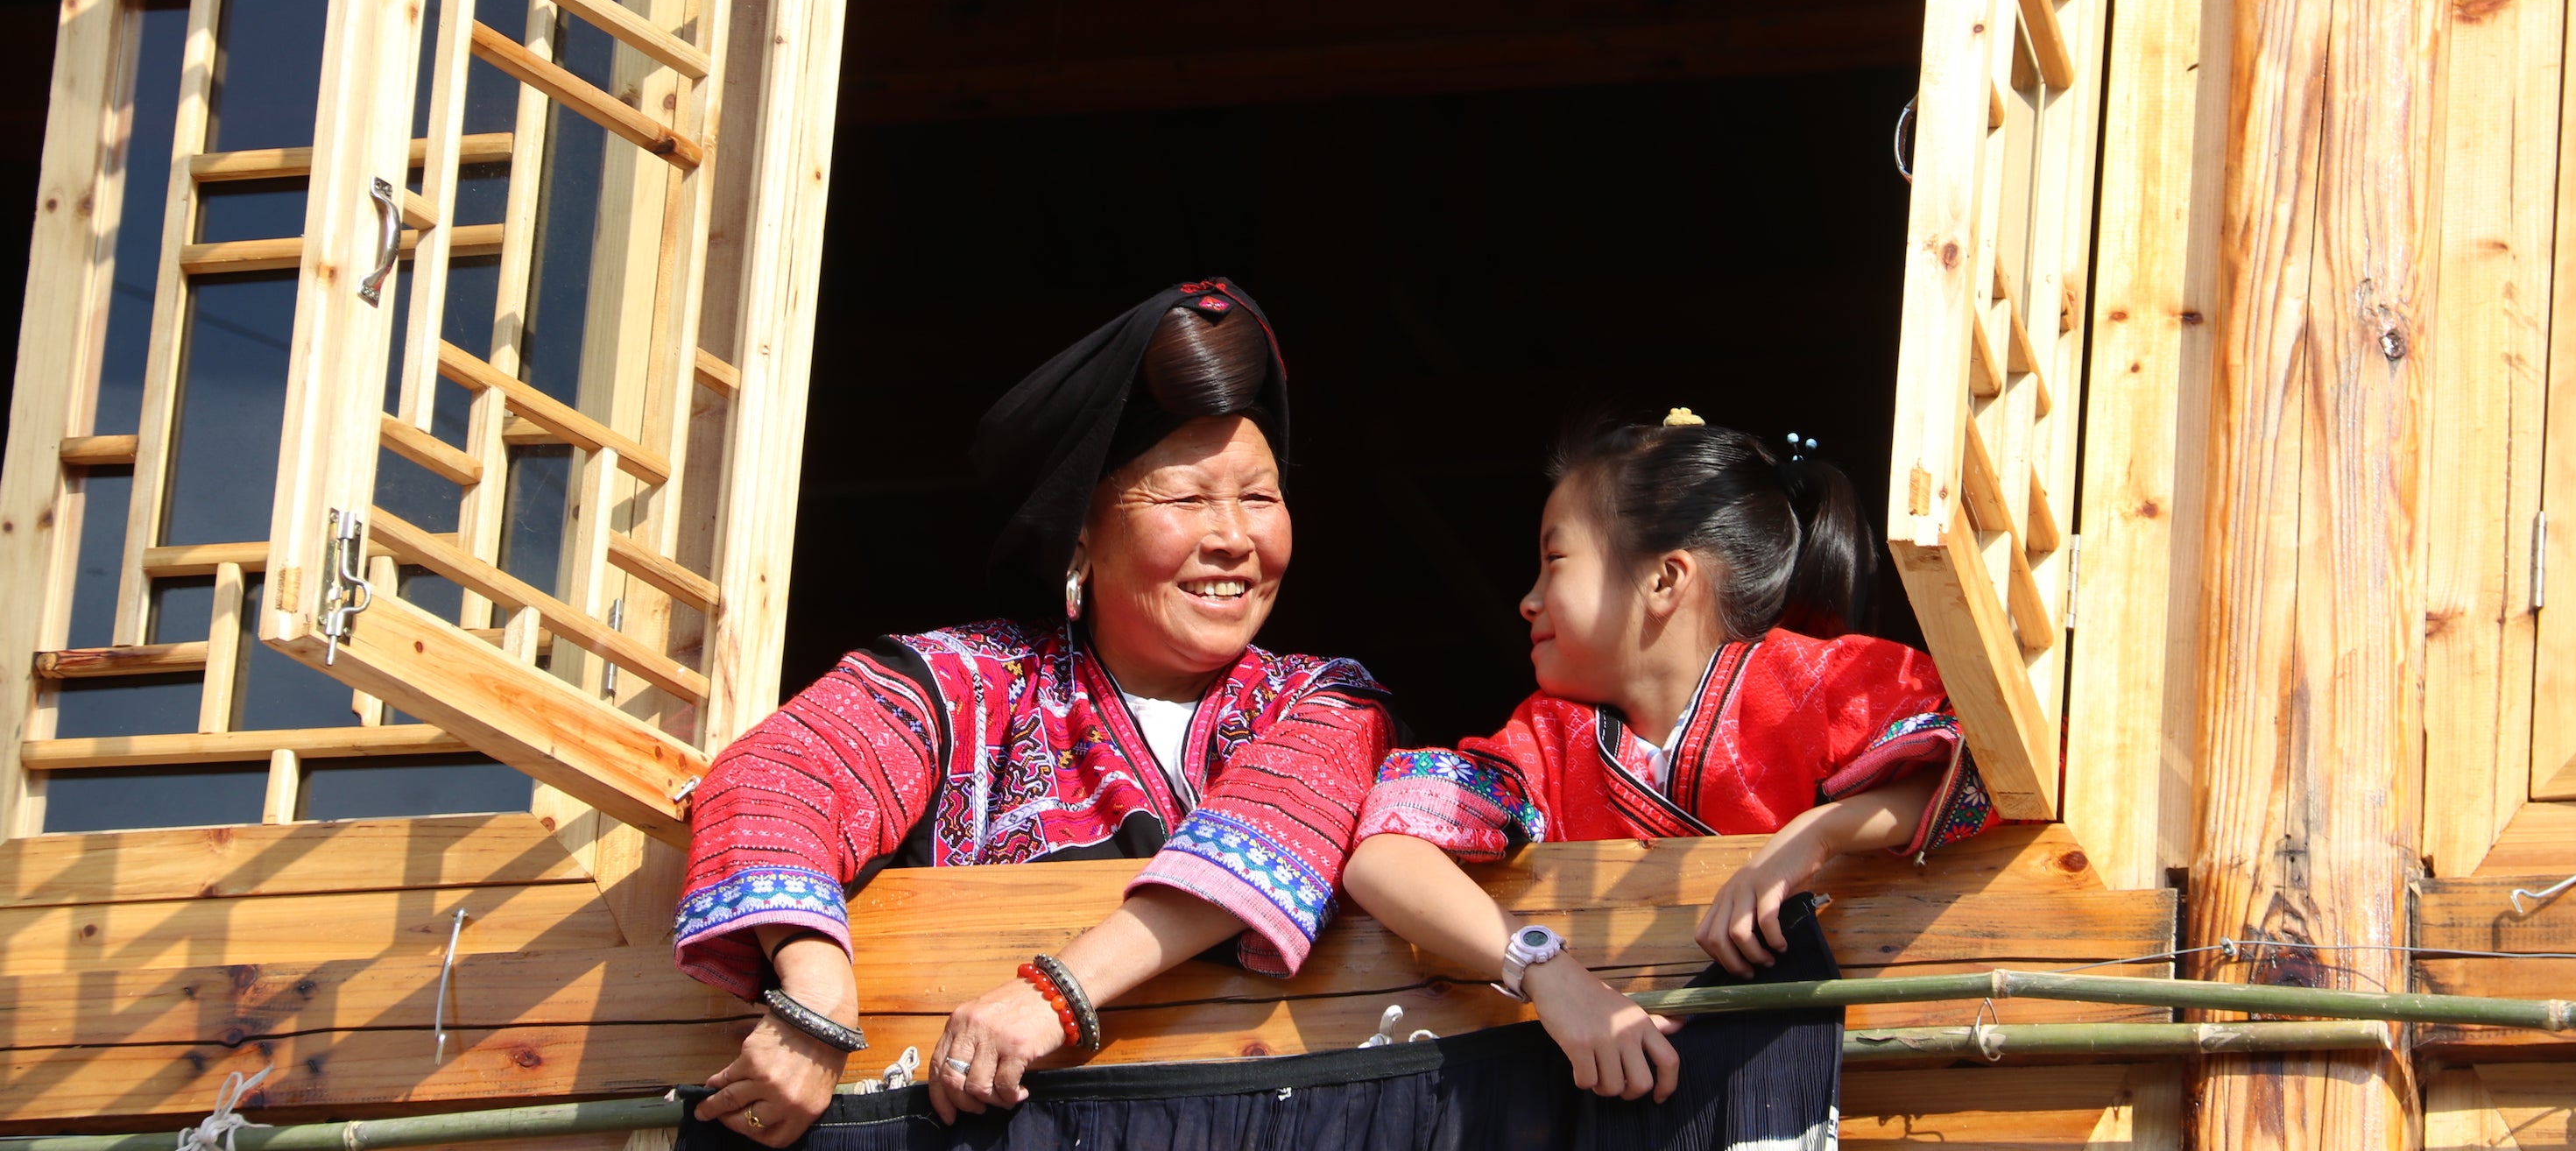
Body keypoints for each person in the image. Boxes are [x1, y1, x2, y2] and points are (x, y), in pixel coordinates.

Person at [673, 279, 1395, 1145]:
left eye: (1260, 496)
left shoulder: (1322, 702)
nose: (1234, 536)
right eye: (1188, 498)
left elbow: (1280, 819)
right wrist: (816, 988)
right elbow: (774, 773)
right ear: (1082, 534)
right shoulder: (964, 683)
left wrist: (1059, 990)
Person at [1343, 410, 1999, 1105]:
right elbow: (1385, 855)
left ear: (1665, 579)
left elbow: (1996, 765)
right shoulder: (1547, 739)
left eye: (1554, 560)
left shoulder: (1816, 683)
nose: (1528, 600)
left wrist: (1817, 834)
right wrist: (1550, 974)